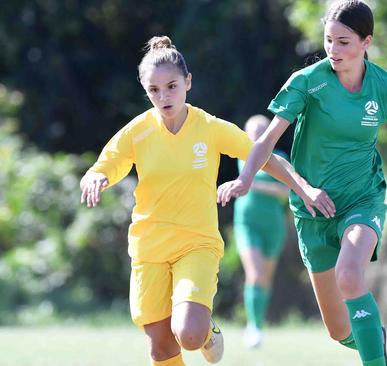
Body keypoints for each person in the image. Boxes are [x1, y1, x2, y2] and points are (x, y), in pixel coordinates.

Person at [218, 1, 387, 365]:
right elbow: (265, 143)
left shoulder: (385, 88)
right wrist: (247, 178)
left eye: (344, 42)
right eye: (329, 40)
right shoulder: (307, 82)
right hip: (311, 209)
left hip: (362, 200)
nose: (333, 50)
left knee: (349, 275)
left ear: (366, 42)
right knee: (339, 331)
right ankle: (374, 339)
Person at [79, 36, 328, 366]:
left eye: (171, 86)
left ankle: (208, 331)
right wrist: (96, 177)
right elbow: (104, 166)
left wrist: (303, 187)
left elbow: (262, 154)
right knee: (160, 347)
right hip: (149, 247)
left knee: (190, 334)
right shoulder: (137, 131)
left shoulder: (209, 128)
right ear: (144, 89)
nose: (164, 96)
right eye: (154, 90)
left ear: (188, 82)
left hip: (196, 244)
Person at [233, 115, 289, 348]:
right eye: (252, 130)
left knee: (264, 278)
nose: (257, 134)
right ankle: (253, 327)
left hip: (273, 225)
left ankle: (258, 323)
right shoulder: (244, 155)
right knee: (255, 274)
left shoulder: (282, 159)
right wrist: (270, 187)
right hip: (247, 222)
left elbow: (287, 192)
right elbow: (274, 187)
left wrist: (255, 185)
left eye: (262, 130)